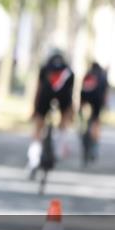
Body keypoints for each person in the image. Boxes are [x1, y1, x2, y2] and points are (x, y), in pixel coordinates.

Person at [27, 48, 75, 176]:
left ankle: (34, 158)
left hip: (45, 96)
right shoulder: (68, 70)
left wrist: (34, 109)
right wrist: (71, 113)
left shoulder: (45, 68)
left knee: (38, 127)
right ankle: (59, 148)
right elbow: (71, 94)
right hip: (64, 98)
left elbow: (38, 89)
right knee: (64, 122)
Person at [78, 60, 109, 160]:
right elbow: (105, 93)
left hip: (86, 97)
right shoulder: (102, 76)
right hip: (97, 100)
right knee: (96, 122)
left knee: (84, 119)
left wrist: (80, 106)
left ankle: (83, 128)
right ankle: (95, 147)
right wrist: (105, 105)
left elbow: (82, 90)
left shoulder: (88, 74)